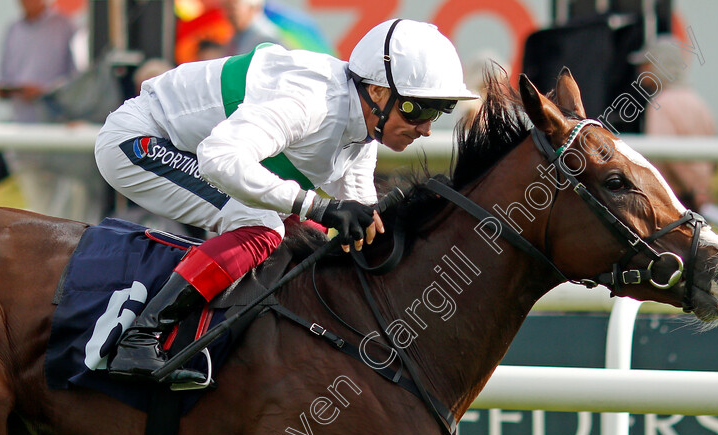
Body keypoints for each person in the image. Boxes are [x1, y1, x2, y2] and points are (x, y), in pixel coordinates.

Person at [95, 19, 478, 382]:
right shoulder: (312, 100)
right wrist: (320, 207)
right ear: (377, 91)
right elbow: (219, 157)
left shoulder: (364, 131)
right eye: (418, 109)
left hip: (190, 149)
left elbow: (362, 221)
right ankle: (139, 338)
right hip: (141, 141)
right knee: (263, 226)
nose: (426, 129)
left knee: (308, 234)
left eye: (439, 111)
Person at [0, 0, 77, 207]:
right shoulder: (13, 29)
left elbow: (78, 84)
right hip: (18, 133)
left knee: (48, 209)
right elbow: (2, 82)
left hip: (52, 138)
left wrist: (44, 92)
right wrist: (9, 89)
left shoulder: (65, 27)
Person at [629, 36, 716, 213]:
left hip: (678, 198)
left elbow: (667, 154)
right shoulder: (697, 101)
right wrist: (702, 189)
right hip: (701, 195)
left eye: (646, 64)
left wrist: (694, 191)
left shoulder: (662, 104)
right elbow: (714, 155)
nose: (640, 70)